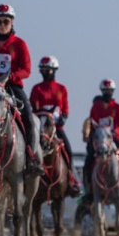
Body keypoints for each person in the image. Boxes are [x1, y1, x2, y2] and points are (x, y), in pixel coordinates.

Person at [0, 4, 43, 177]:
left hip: (13, 87)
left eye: (6, 21)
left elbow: (27, 69)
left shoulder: (19, 44)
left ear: (11, 22)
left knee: (28, 116)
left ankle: (31, 156)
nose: (2, 24)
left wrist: (11, 76)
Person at [29, 56, 81, 196]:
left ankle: (70, 180)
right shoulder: (37, 89)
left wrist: (63, 117)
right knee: (29, 147)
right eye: (43, 70)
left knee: (68, 150)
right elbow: (33, 107)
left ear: (54, 71)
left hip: (57, 127)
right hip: (41, 127)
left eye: (48, 70)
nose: (46, 72)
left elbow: (65, 107)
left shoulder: (61, 88)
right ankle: (26, 176)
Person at [82, 79, 119, 203]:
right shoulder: (96, 107)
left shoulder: (118, 108)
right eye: (105, 90)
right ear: (101, 91)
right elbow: (93, 122)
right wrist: (94, 133)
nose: (107, 93)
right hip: (99, 139)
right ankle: (89, 190)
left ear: (113, 92)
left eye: (109, 91)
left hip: (113, 138)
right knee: (88, 161)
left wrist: (115, 132)